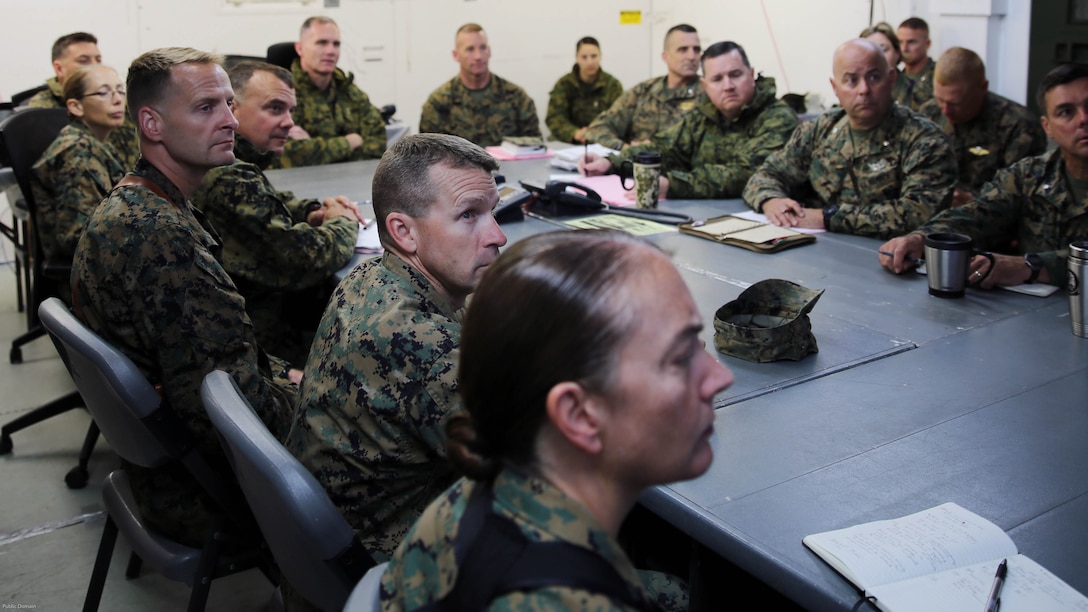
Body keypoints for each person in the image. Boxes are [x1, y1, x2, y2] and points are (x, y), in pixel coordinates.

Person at [380, 229, 735, 611]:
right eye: (680, 358)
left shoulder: (484, 492)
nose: (720, 378)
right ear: (579, 415)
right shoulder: (564, 600)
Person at [71, 47, 298, 548]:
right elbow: (230, 412)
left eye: (230, 104)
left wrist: (283, 374)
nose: (230, 121)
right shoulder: (157, 237)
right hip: (202, 490)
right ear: (152, 124)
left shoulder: (142, 203)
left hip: (176, 466)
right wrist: (319, 391)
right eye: (206, 108)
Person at [285, 133, 508, 561]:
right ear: (403, 231)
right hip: (398, 565)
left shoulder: (371, 278)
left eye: (492, 212)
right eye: (468, 216)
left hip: (340, 546)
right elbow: (545, 466)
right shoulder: (423, 344)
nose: (497, 235)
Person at [192, 61, 360, 366]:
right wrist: (343, 222)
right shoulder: (229, 176)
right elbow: (306, 259)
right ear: (234, 110)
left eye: (290, 111)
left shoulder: (223, 162)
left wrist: (310, 211)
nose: (288, 122)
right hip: (261, 350)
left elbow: (268, 200)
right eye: (275, 108)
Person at [879, 63, 1088, 289]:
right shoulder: (1031, 175)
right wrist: (920, 239)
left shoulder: (1015, 124)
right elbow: (978, 214)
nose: (1083, 119)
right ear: (1048, 127)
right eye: (1066, 112)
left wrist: (1030, 266)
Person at [742, 38, 956, 239]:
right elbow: (766, 174)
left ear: (891, 80)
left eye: (874, 77)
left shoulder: (925, 141)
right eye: (851, 80)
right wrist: (771, 201)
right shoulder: (820, 130)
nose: (864, 90)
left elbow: (918, 213)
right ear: (835, 88)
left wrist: (828, 217)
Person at [579, 41, 799, 200]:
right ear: (705, 86)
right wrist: (612, 163)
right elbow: (665, 148)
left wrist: (673, 186)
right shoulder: (704, 115)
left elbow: (744, 174)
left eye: (735, 75)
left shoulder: (778, 118)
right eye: (717, 79)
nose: (728, 86)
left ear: (751, 74)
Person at [917, 47, 1047, 205]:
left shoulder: (1019, 127)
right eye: (940, 100)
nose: (946, 110)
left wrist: (976, 201)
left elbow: (1025, 197)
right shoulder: (928, 114)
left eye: (956, 103)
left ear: (982, 88)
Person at [30, 64, 127, 277]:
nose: (118, 99)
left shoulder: (96, 143)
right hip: (91, 279)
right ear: (76, 106)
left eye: (120, 90)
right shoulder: (79, 152)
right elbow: (77, 237)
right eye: (103, 93)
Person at [274, 16, 387, 168]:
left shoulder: (349, 91)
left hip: (352, 181)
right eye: (322, 43)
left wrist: (317, 148)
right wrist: (350, 142)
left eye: (336, 44)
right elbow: (286, 154)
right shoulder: (283, 93)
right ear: (299, 48)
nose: (330, 51)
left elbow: (378, 144)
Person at [25, 31, 139, 168]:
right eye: (83, 61)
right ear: (59, 68)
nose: (95, 66)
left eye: (98, 60)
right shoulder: (43, 109)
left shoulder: (118, 99)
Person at [418, 23, 540, 147]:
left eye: (483, 48)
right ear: (456, 55)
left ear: (490, 51)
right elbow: (429, 157)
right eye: (470, 49)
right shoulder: (438, 103)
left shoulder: (516, 97)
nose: (478, 56)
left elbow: (534, 147)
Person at [584, 24, 703, 151]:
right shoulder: (644, 91)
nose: (692, 57)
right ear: (665, 56)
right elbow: (596, 130)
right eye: (683, 50)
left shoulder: (709, 94)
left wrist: (653, 150)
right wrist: (625, 148)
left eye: (696, 50)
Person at [545, 36, 623, 144]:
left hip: (602, 141)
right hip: (570, 141)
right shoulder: (564, 84)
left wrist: (598, 133)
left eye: (594, 56)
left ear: (600, 56)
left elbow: (619, 118)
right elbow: (554, 118)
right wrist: (574, 133)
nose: (590, 62)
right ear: (576, 58)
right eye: (584, 57)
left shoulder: (613, 85)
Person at [859, 22, 911, 110]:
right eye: (868, 51)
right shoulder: (856, 92)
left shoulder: (918, 92)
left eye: (883, 50)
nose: (876, 57)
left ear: (897, 52)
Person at [895, 17, 936, 111]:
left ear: (927, 44)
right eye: (900, 42)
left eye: (911, 42)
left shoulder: (938, 77)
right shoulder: (895, 79)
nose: (904, 48)